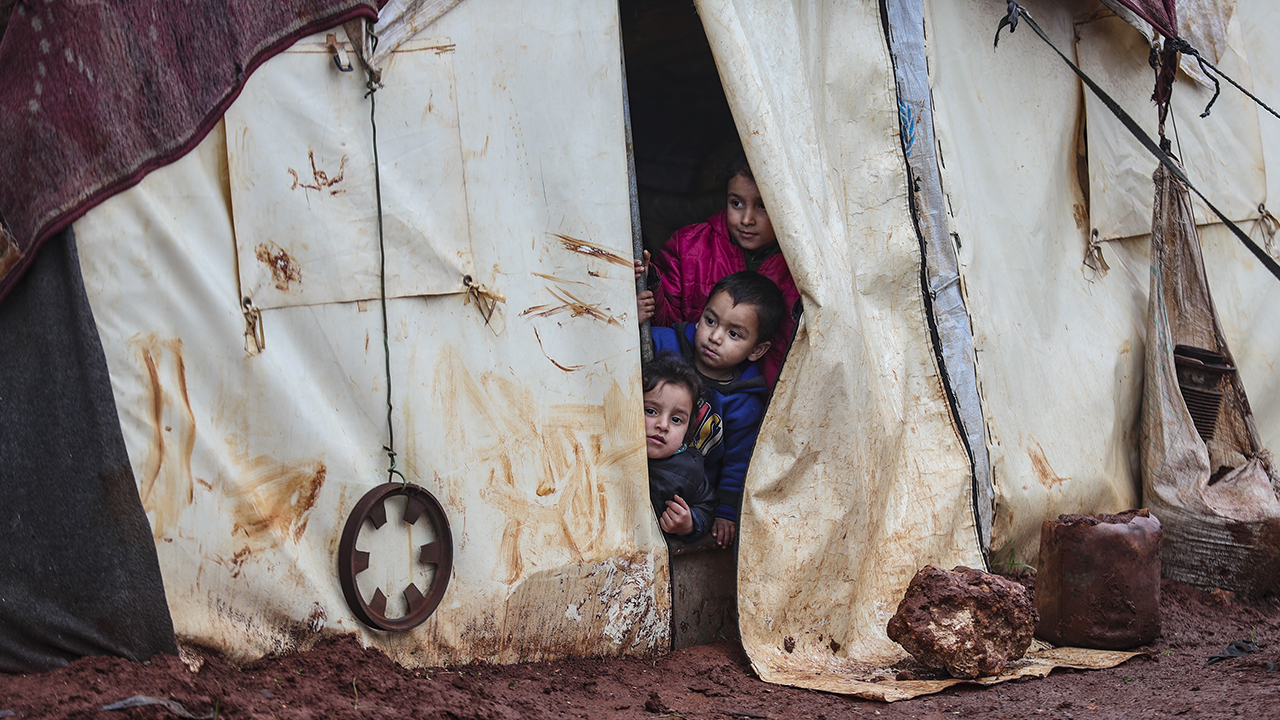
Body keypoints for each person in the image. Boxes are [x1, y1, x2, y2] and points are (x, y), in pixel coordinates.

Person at [636, 153, 800, 388]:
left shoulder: (801, 270)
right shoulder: (690, 245)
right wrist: (650, 284)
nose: (746, 219)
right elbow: (665, 325)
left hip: (753, 402)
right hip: (678, 395)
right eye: (736, 203)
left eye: (763, 206)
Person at [650, 271, 783, 548]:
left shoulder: (745, 403)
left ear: (757, 350)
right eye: (711, 321)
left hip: (686, 493)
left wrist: (725, 512)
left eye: (734, 333)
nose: (715, 337)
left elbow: (737, 462)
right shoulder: (664, 344)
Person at [643, 352, 717, 542]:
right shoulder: (607, 451)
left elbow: (706, 507)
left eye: (676, 419)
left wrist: (690, 523)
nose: (663, 425)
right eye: (651, 411)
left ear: (688, 432)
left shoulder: (688, 470)